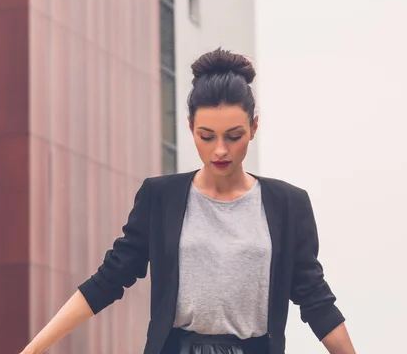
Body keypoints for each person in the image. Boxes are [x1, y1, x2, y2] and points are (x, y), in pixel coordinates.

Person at [20, 48, 356, 354]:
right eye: (206, 136)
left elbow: (316, 301)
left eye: (234, 136)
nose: (220, 150)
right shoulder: (160, 198)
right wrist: (34, 349)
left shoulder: (288, 204)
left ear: (254, 127)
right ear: (191, 126)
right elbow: (109, 279)